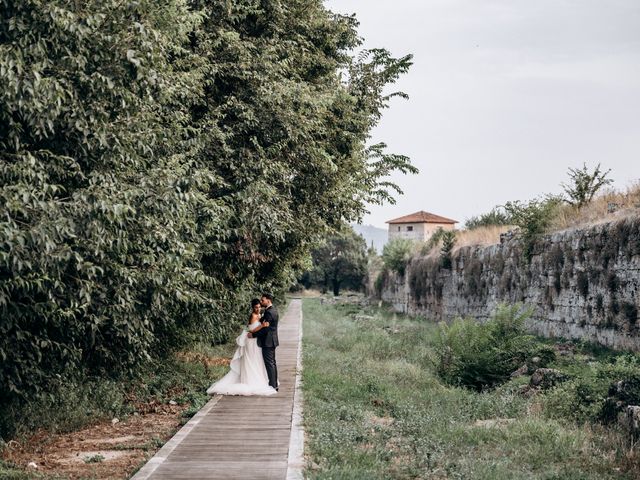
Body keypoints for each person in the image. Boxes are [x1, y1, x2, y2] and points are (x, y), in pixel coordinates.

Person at [206, 299, 277, 396]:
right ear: (253, 308)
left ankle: (258, 379)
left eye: (259, 307)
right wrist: (262, 326)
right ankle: (250, 381)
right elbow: (252, 329)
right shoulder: (253, 315)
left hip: (256, 342)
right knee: (251, 360)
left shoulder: (260, 315)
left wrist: (263, 324)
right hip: (251, 342)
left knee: (257, 360)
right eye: (256, 307)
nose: (258, 309)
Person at [248, 293, 279, 391]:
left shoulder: (269, 312)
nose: (261, 302)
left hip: (268, 341)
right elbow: (263, 324)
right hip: (272, 340)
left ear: (268, 300)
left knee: (270, 363)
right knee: (272, 363)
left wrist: (253, 335)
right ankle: (274, 384)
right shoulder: (273, 310)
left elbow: (266, 329)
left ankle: (273, 386)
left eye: (263, 300)